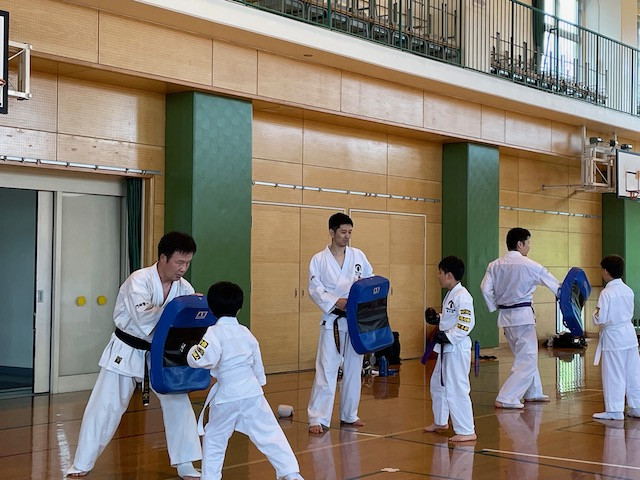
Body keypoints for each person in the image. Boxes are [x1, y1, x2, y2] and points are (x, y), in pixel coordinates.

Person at [67, 232, 202, 479]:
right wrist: (178, 308)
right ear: (163, 258)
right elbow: (144, 319)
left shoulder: (185, 289)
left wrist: (190, 309)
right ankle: (81, 463)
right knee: (105, 406)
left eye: (187, 263)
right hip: (126, 349)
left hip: (161, 353)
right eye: (179, 262)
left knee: (179, 405)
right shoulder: (138, 281)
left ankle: (185, 464)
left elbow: (184, 324)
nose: (183, 268)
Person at [186, 281, 304, 480]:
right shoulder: (246, 332)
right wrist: (259, 382)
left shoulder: (214, 332)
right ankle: (291, 473)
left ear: (211, 309)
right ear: (239, 308)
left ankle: (210, 477)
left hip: (227, 395)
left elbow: (202, 359)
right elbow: (257, 362)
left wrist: (189, 351)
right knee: (270, 434)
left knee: (215, 439)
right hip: (252, 392)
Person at [307, 213, 373, 434]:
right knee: (327, 369)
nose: (347, 236)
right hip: (332, 321)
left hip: (354, 321)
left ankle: (349, 414)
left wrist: (358, 301)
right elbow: (315, 290)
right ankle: (317, 417)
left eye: (350, 232)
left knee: (354, 370)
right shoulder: (319, 260)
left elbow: (369, 280)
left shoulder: (358, 256)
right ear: (332, 232)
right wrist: (336, 301)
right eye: (343, 232)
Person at [480, 227, 560, 409]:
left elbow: (484, 288)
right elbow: (556, 286)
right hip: (523, 318)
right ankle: (506, 397)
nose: (529, 247)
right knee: (528, 358)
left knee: (524, 355)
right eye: (528, 243)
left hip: (505, 318)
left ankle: (533, 392)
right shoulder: (531, 265)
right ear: (520, 244)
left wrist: (494, 305)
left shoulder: (494, 265)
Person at [423, 256, 477, 442]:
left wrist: (449, 336)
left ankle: (466, 430)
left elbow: (466, 322)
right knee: (437, 384)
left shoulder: (463, 296)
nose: (438, 276)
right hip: (447, 348)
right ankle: (440, 421)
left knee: (457, 387)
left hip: (457, 347)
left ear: (449, 275)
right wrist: (438, 318)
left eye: (440, 272)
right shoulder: (451, 294)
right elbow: (453, 317)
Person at [592, 255, 640, 420]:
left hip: (614, 338)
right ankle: (636, 406)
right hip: (629, 336)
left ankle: (614, 410)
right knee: (633, 373)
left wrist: (594, 314)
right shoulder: (628, 290)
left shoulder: (607, 293)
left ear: (606, 271)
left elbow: (601, 317)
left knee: (614, 373)